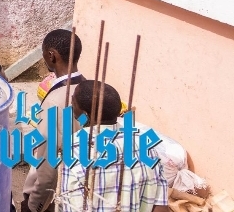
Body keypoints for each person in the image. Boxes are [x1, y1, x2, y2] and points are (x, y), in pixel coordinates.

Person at [61, 81, 169, 212]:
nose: (71, 105)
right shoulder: (144, 144)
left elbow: (72, 206)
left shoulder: (74, 149)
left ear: (85, 114)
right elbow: (160, 206)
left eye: (73, 101)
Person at [23, 29, 86, 212]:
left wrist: (35, 204)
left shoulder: (55, 100)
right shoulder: (87, 89)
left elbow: (48, 166)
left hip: (55, 193)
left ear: (51, 56)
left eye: (44, 54)